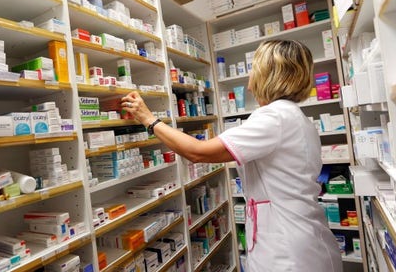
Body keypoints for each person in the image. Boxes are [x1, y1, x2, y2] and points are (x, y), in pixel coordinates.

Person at [121, 40, 342, 271]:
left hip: (288, 250)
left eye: (255, 73)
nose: (249, 85)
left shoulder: (274, 117)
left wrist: (148, 119)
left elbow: (197, 152)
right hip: (302, 236)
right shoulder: (295, 117)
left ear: (271, 76)